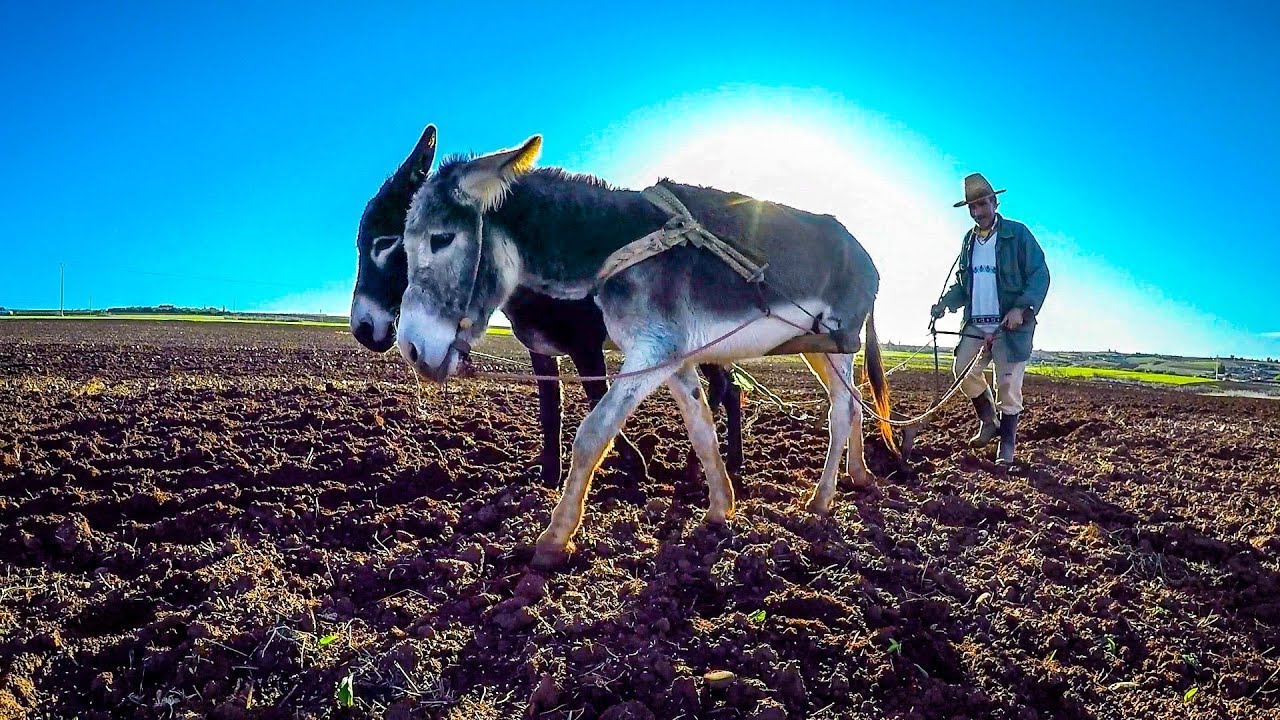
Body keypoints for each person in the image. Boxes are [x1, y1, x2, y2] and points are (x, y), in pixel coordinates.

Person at [931, 173, 1049, 464]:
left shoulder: (1017, 235)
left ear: (995, 203)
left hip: (1009, 328)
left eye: (982, 204)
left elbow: (1040, 275)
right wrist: (945, 303)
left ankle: (1006, 445)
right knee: (962, 370)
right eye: (972, 207)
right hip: (975, 323)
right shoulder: (968, 242)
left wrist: (1021, 308)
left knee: (1008, 386)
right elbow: (963, 284)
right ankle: (989, 421)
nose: (978, 212)